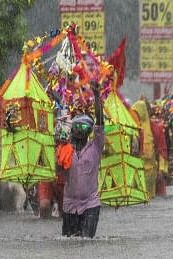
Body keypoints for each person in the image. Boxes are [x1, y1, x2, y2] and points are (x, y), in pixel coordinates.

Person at [62, 82, 104, 238]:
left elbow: (100, 123)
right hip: (69, 205)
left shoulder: (96, 147)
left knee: (87, 241)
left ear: (89, 132)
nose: (80, 132)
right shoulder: (65, 149)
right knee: (68, 242)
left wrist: (97, 96)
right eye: (77, 128)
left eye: (85, 129)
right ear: (72, 130)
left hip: (90, 204)